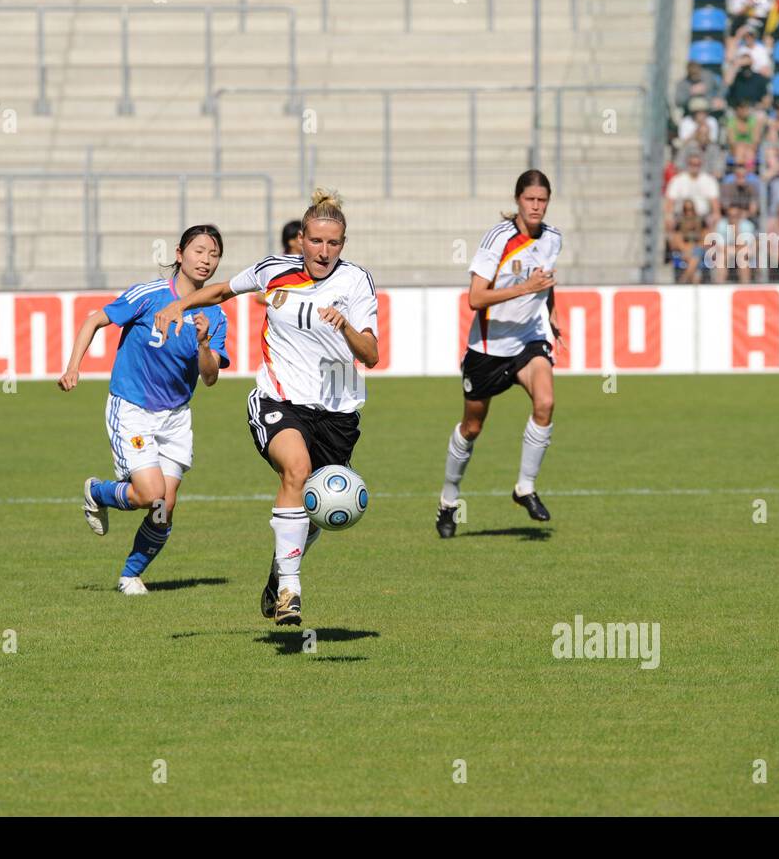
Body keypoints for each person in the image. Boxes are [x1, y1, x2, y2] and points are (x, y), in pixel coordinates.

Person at [153, 189, 379, 626]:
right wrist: (179, 303)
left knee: (314, 512)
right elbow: (221, 290)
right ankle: (291, 592)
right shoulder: (274, 270)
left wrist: (346, 327)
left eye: (333, 243)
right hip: (279, 400)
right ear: (302, 239)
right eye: (316, 241)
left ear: (343, 245)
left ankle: (280, 573)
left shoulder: (356, 281)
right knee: (295, 470)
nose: (324, 251)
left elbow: (370, 354)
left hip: (338, 412)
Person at [59, 225, 230, 595]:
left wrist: (202, 344)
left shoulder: (214, 316)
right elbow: (95, 320)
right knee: (149, 494)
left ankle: (129, 575)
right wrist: (74, 366)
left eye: (214, 254)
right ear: (180, 254)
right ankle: (99, 492)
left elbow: (211, 377)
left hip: (176, 417)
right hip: (133, 407)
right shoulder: (149, 295)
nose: (206, 260)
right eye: (199, 251)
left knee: (163, 507)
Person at [435, 169, 561, 538]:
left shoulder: (553, 238)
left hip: (528, 341)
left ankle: (525, 487)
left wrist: (551, 312)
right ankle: (448, 500)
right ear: (517, 200)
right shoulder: (498, 239)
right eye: (530, 200)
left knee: (546, 402)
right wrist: (526, 288)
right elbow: (476, 298)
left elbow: (546, 278)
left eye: (542, 201)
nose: (536, 206)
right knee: (472, 427)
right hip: (488, 349)